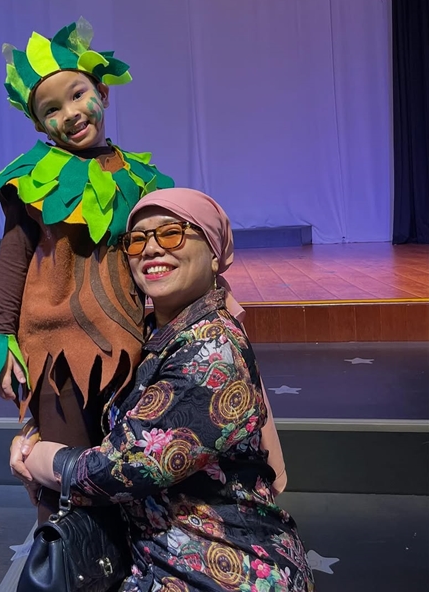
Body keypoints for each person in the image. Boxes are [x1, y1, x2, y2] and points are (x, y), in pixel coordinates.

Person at [21, 187, 315, 591]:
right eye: (137, 240)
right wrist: (32, 435)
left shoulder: (212, 349)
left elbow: (124, 466)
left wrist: (40, 459)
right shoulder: (149, 335)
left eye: (172, 233)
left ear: (214, 253)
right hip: (161, 561)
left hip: (223, 571)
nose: (151, 249)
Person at [0, 17, 174, 524]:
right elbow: (13, 259)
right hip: (54, 352)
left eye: (78, 95)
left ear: (102, 90)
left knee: (121, 469)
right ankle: (64, 565)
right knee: (63, 477)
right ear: (39, 125)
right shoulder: (31, 179)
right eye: (51, 109)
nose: (71, 113)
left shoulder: (140, 177)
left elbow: (164, 256)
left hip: (128, 345)